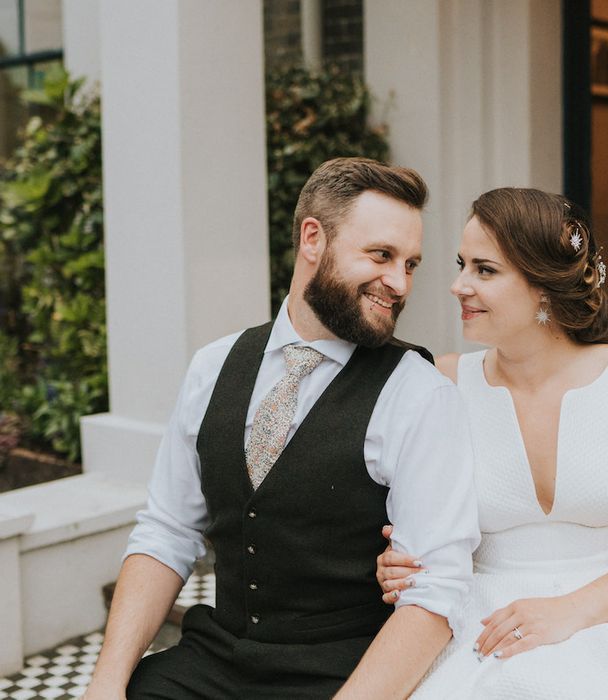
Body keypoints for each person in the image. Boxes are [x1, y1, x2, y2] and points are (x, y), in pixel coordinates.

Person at [84, 157, 480, 700]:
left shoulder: (419, 394)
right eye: (381, 255)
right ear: (312, 239)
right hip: (215, 659)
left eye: (410, 264)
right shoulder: (212, 366)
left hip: (343, 673)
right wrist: (105, 683)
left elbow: (435, 596)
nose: (398, 282)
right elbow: (166, 533)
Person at [376, 188, 608, 699]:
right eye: (462, 264)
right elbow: (415, 527)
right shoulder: (441, 384)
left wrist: (570, 611)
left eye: (484, 270)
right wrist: (400, 560)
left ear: (545, 287)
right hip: (481, 621)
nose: (457, 285)